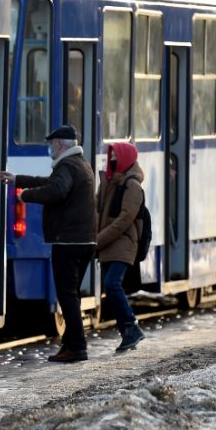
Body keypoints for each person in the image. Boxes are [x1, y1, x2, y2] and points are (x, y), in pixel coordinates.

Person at [1, 124, 96, 363]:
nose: (50, 149)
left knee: (67, 295)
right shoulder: (80, 164)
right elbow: (51, 182)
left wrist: (25, 195)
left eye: (52, 145)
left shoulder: (66, 166)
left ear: (60, 144)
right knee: (72, 294)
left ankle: (78, 347)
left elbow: (56, 191)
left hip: (68, 241)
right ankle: (71, 344)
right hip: (84, 241)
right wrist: (18, 180)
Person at [95, 142, 146, 352]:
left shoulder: (132, 186)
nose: (112, 159)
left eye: (116, 155)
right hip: (108, 243)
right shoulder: (109, 182)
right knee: (110, 287)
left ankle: (131, 327)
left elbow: (125, 219)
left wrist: (99, 239)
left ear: (125, 158)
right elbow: (97, 210)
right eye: (111, 156)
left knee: (112, 284)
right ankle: (127, 332)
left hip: (123, 242)